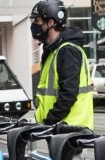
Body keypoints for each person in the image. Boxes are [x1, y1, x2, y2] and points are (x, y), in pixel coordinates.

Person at [29, 0, 92, 128]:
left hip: (69, 128)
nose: (33, 26)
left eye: (37, 21)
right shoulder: (53, 51)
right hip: (58, 127)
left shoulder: (68, 51)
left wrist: (49, 121)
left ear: (51, 22)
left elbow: (68, 94)